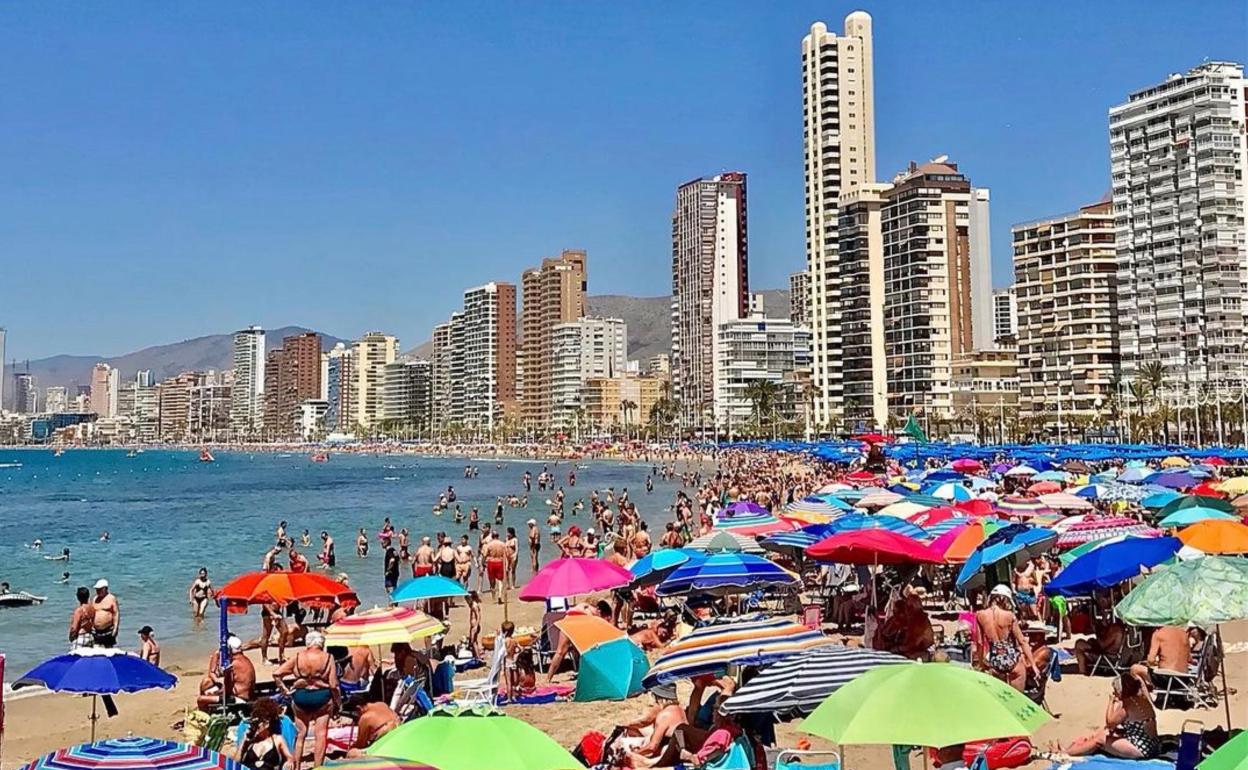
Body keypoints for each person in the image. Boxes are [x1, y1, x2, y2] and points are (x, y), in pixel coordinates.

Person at [274, 630, 339, 770]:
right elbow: (333, 685)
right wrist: (338, 702)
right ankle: (317, 767)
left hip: (300, 697)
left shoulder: (298, 657)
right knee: (320, 735)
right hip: (321, 697)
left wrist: (284, 690)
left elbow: (277, 674)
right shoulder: (328, 657)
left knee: (300, 734)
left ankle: (296, 766)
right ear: (321, 643)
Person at [1061, 672, 1160, 758]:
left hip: (1142, 748)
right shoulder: (1139, 699)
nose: (1114, 692)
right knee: (1103, 732)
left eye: (1115, 691)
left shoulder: (1127, 707)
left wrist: (1111, 702)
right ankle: (1077, 749)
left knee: (1100, 739)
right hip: (1150, 743)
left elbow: (1110, 723)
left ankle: (1066, 753)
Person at [976, 584, 1040, 692]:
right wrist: (1033, 665)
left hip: (995, 661)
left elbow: (979, 643)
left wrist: (981, 664)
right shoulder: (1009, 616)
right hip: (1014, 661)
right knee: (1018, 699)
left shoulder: (980, 615)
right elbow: (1022, 641)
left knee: (1000, 701)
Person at [198, 635, 256, 709]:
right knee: (208, 688)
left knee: (201, 699)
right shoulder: (244, 660)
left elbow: (227, 691)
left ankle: (205, 714)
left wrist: (216, 693)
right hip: (246, 695)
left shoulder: (233, 665)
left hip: (239, 699)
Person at [237, 697, 294, 770]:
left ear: (266, 724)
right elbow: (235, 764)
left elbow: (290, 757)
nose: (253, 727)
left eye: (257, 724)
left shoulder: (277, 739)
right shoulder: (249, 741)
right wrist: (243, 743)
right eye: (253, 724)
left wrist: (289, 762)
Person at [91, 579, 120, 647]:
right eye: (97, 589)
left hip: (108, 629)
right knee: (96, 650)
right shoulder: (95, 599)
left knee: (109, 651)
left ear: (105, 589)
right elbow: (91, 613)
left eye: (99, 589)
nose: (97, 591)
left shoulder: (111, 598)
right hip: (96, 631)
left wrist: (116, 628)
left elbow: (116, 614)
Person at [482, 533, 508, 601]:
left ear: (492, 537)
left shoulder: (489, 544)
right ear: (498, 536)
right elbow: (506, 554)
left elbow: (485, 554)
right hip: (500, 561)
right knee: (500, 580)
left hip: (491, 562)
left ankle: (493, 595)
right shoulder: (502, 544)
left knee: (492, 579)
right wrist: (506, 564)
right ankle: (499, 595)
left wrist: (483, 562)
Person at [68, 586, 94, 650]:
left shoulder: (79, 610)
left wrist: (71, 637)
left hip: (81, 637)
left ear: (78, 597)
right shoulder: (92, 608)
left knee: (75, 658)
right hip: (90, 636)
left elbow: (74, 628)